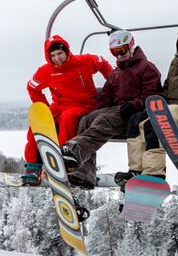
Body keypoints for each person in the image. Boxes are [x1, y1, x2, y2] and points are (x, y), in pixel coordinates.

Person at [114, 23, 178, 191]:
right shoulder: (177, 60)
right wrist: (160, 97)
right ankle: (136, 169)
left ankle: (154, 173)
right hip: (168, 104)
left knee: (154, 123)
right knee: (135, 121)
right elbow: (168, 87)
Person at [61, 30, 162, 189]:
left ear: (130, 47)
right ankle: (85, 173)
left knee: (102, 120)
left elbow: (151, 95)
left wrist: (133, 104)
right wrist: (95, 112)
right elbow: (106, 97)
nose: (119, 56)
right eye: (114, 52)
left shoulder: (146, 68)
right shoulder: (115, 73)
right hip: (117, 110)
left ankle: (75, 151)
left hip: (134, 113)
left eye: (121, 51)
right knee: (86, 120)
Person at [23, 35, 113, 185]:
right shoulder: (46, 71)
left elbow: (103, 63)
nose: (57, 58)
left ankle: (63, 163)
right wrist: (44, 107)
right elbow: (32, 87)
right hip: (59, 105)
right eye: (52, 55)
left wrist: (112, 83)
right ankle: (33, 167)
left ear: (66, 51)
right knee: (38, 124)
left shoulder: (84, 61)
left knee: (68, 118)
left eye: (59, 53)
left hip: (83, 104)